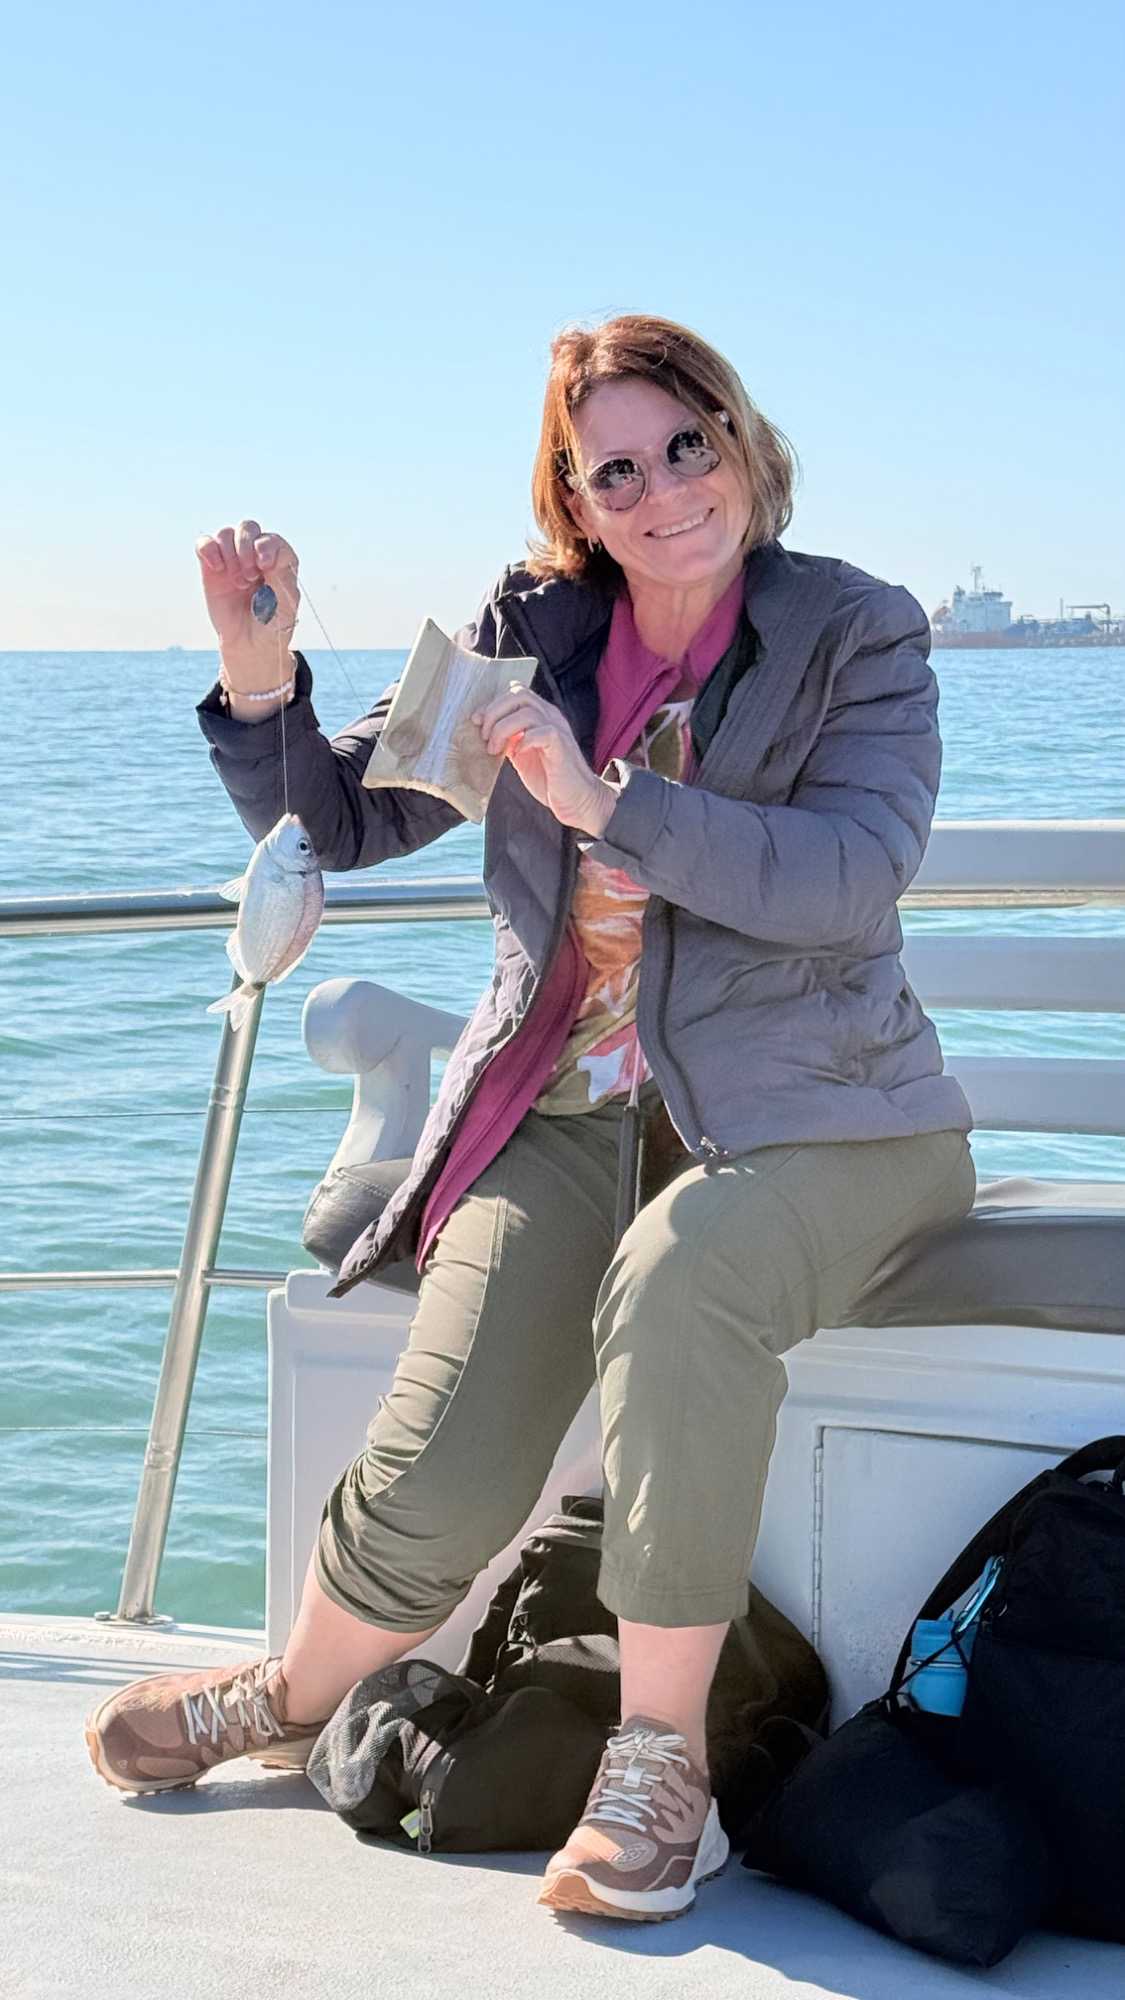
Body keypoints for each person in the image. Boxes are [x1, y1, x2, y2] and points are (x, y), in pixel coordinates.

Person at [86, 312, 975, 1922]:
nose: (661, 491)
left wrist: (602, 797)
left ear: (739, 438)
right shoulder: (535, 630)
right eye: (612, 470)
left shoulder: (855, 628)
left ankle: (659, 1762)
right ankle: (293, 1695)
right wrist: (258, 669)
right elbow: (347, 816)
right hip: (566, 1106)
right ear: (573, 498)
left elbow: (850, 876)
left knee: (682, 1280)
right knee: (444, 1445)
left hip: (827, 1118)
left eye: (685, 444)